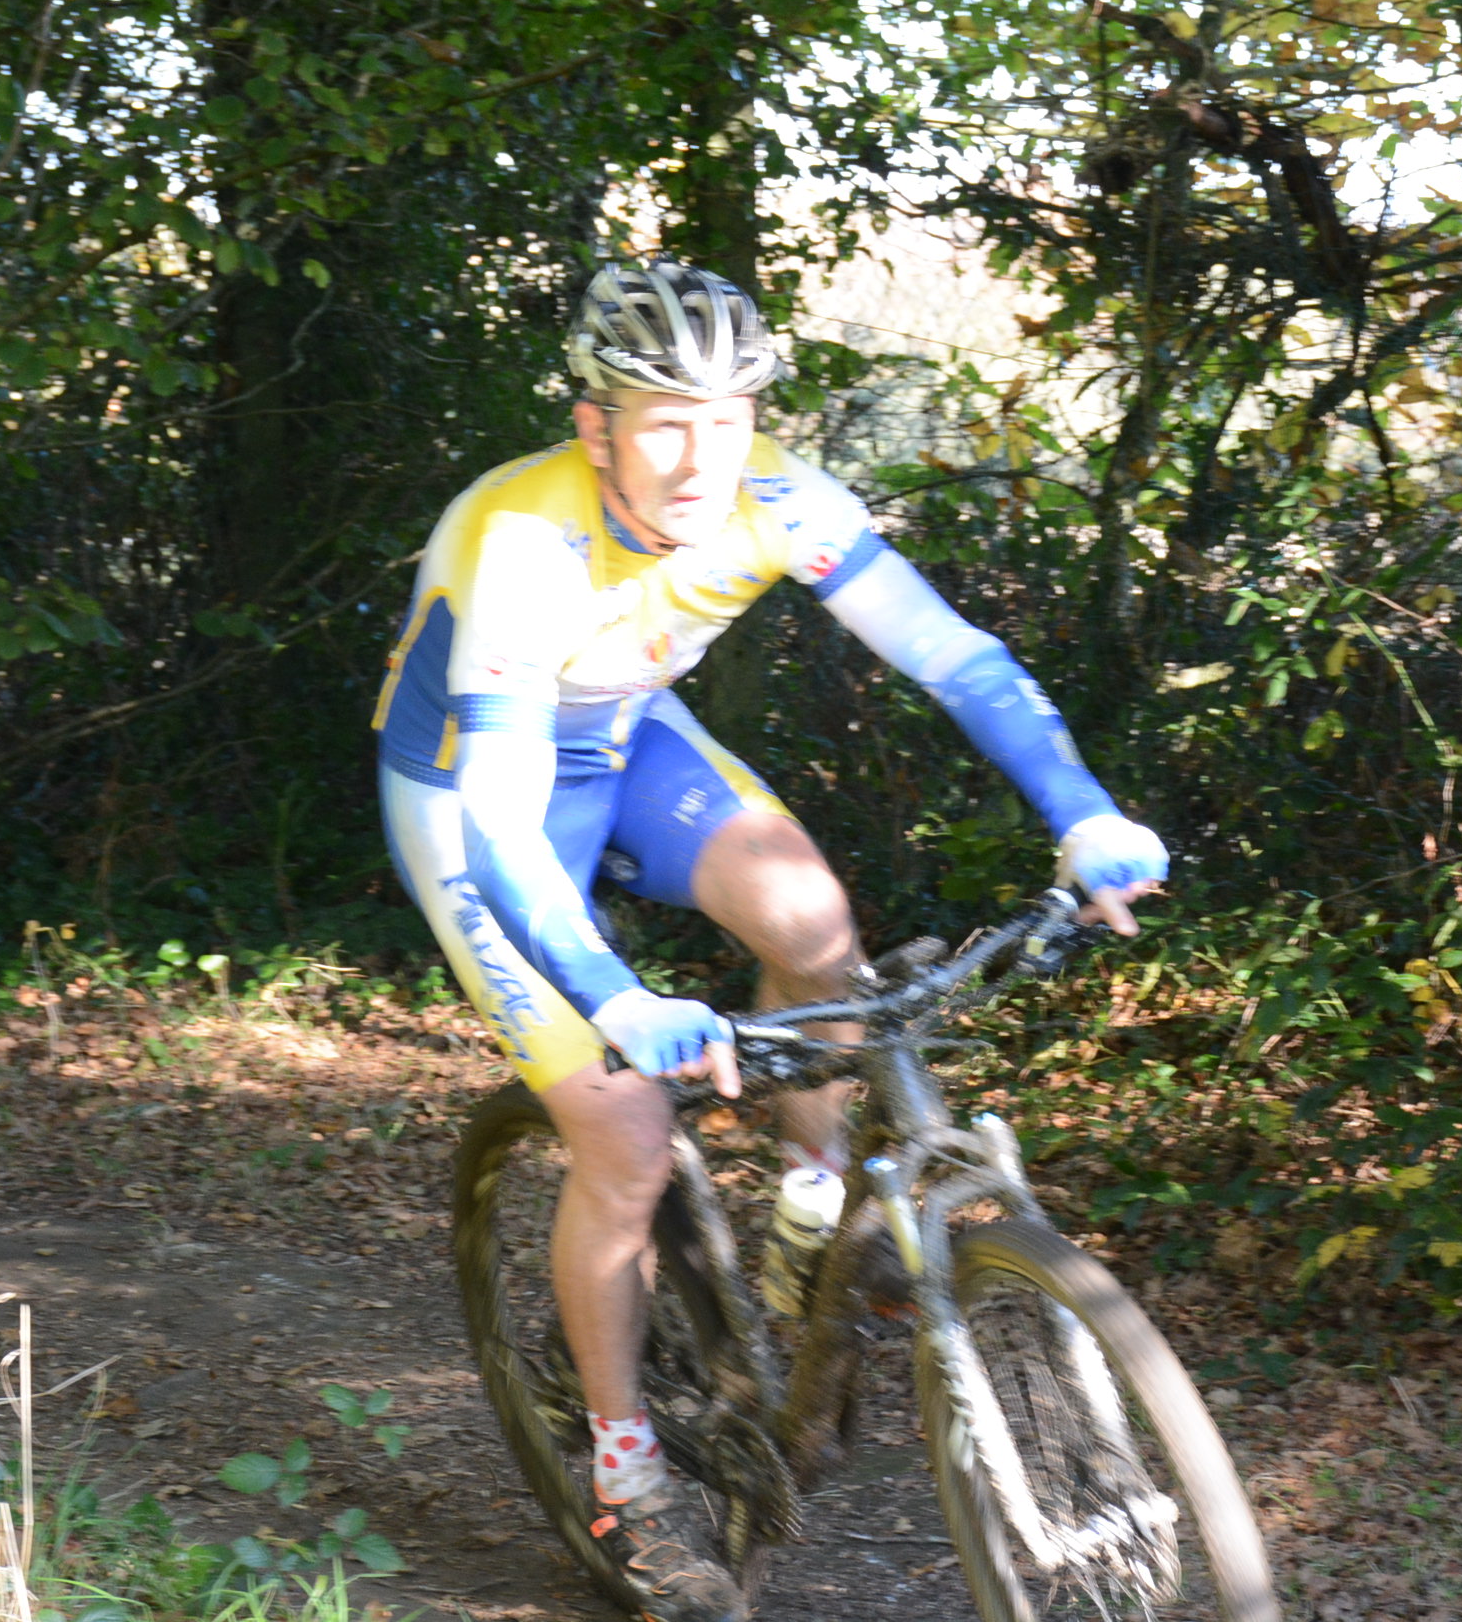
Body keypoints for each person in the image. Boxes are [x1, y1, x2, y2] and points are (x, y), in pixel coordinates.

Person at [377, 261, 1166, 1622]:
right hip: (473, 796)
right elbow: (502, 822)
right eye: (664, 424)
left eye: (729, 420)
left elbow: (958, 657)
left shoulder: (784, 500)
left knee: (817, 927)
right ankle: (627, 1477)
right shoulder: (522, 539)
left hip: (630, 739)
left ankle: (809, 1211)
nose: (702, 458)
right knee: (624, 1136)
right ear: (596, 427)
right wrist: (613, 996)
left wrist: (1083, 811)